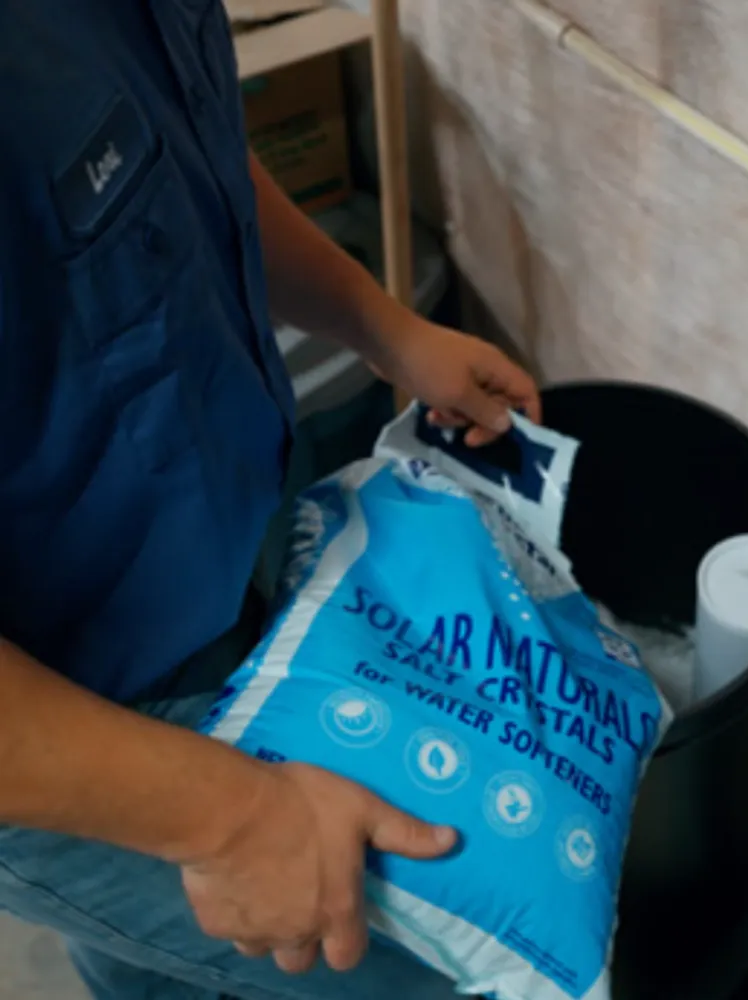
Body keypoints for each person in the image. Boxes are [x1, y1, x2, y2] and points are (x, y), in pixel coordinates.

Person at [0, 2, 541, 998]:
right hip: (67, 720)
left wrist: (381, 326)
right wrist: (234, 819)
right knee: (452, 965)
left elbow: (162, 153)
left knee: (160, 967)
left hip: (226, 538)